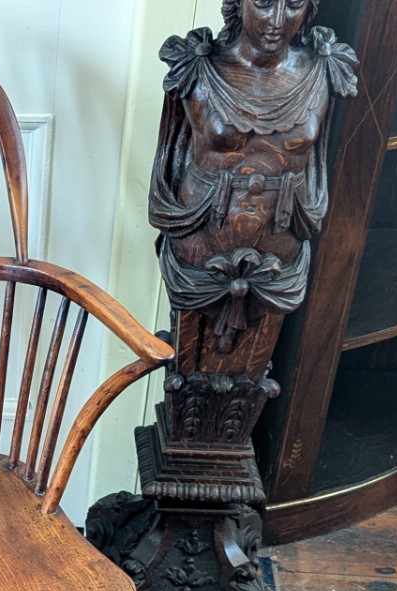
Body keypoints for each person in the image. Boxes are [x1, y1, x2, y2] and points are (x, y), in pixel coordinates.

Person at [150, 0, 357, 353]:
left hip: (280, 246)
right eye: (262, 3)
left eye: (293, 6)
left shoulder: (322, 70)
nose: (277, 21)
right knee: (188, 365)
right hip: (201, 237)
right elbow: (172, 151)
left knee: (252, 368)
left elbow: (317, 163)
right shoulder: (197, 67)